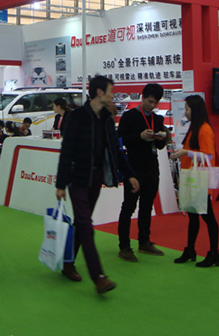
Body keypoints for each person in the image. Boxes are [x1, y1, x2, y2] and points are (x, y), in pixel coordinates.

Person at [55, 75, 140, 294]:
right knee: (86, 225)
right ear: (99, 92)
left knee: (81, 223)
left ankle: (67, 263)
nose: (113, 95)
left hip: (96, 177)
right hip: (77, 178)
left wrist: (129, 174)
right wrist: (61, 184)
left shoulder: (107, 120)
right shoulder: (76, 117)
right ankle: (98, 276)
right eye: (110, 91)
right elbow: (67, 151)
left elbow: (116, 151)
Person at [116, 83, 171, 262]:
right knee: (129, 206)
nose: (152, 106)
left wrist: (162, 138)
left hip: (152, 167)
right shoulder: (129, 116)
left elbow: (160, 146)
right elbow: (120, 139)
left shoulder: (157, 119)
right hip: (133, 168)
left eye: (155, 103)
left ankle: (144, 241)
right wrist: (139, 136)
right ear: (142, 97)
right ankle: (124, 246)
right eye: (149, 102)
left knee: (147, 206)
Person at [169, 94, 219, 268]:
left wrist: (185, 153)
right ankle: (190, 249)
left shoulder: (204, 129)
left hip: (200, 180)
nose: (185, 112)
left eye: (187, 109)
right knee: (193, 216)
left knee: (208, 217)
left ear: (195, 110)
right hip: (192, 178)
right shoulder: (195, 128)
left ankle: (214, 253)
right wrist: (182, 153)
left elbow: (208, 156)